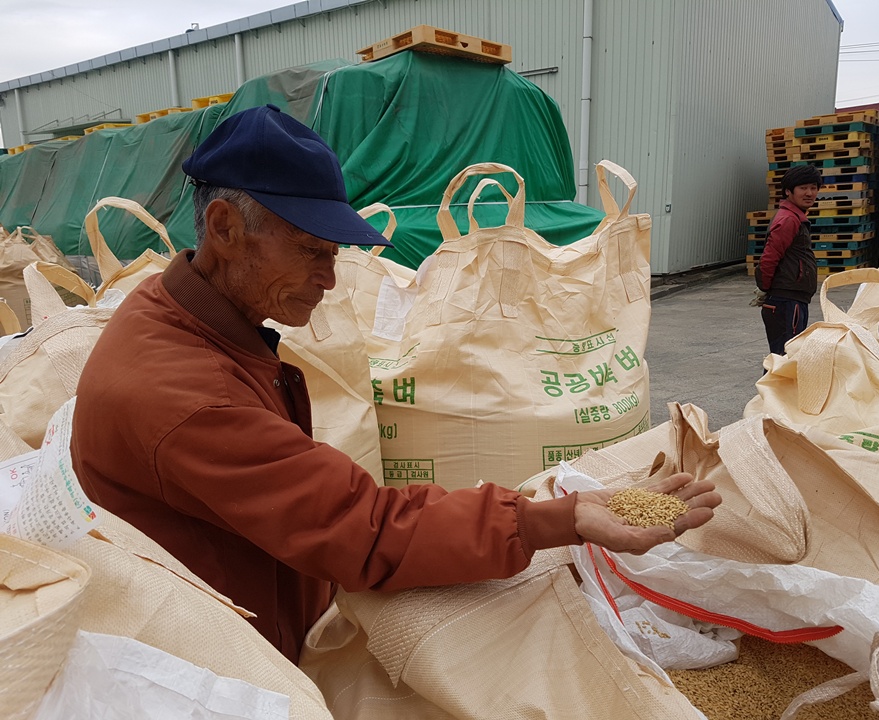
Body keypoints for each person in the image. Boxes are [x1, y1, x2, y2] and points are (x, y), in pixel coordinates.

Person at [70, 105, 721, 663]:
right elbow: (361, 527)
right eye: (312, 252)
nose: (330, 278)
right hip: (218, 670)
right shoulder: (185, 396)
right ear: (224, 229)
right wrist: (568, 516)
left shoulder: (181, 313)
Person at [754, 164, 822, 355]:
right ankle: (771, 386)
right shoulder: (789, 220)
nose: (809, 193)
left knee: (786, 357)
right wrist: (766, 289)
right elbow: (769, 258)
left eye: (813, 187)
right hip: (785, 301)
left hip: (793, 299)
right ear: (788, 191)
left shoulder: (795, 217)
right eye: (803, 188)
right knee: (785, 358)